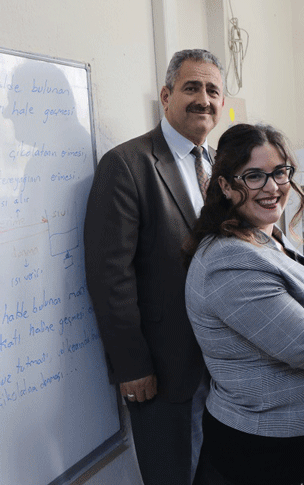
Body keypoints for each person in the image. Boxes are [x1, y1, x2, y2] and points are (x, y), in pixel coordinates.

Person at [183, 123, 304, 485]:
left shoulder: (267, 238)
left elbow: (292, 317)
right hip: (261, 453)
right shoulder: (229, 260)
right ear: (225, 186)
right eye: (254, 176)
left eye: (279, 172)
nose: (272, 187)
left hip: (296, 448)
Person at [84, 49, 225, 485]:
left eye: (213, 90)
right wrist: (132, 364)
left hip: (225, 364)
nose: (204, 99)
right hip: (166, 372)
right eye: (192, 87)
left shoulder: (222, 164)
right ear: (166, 96)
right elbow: (110, 277)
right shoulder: (127, 165)